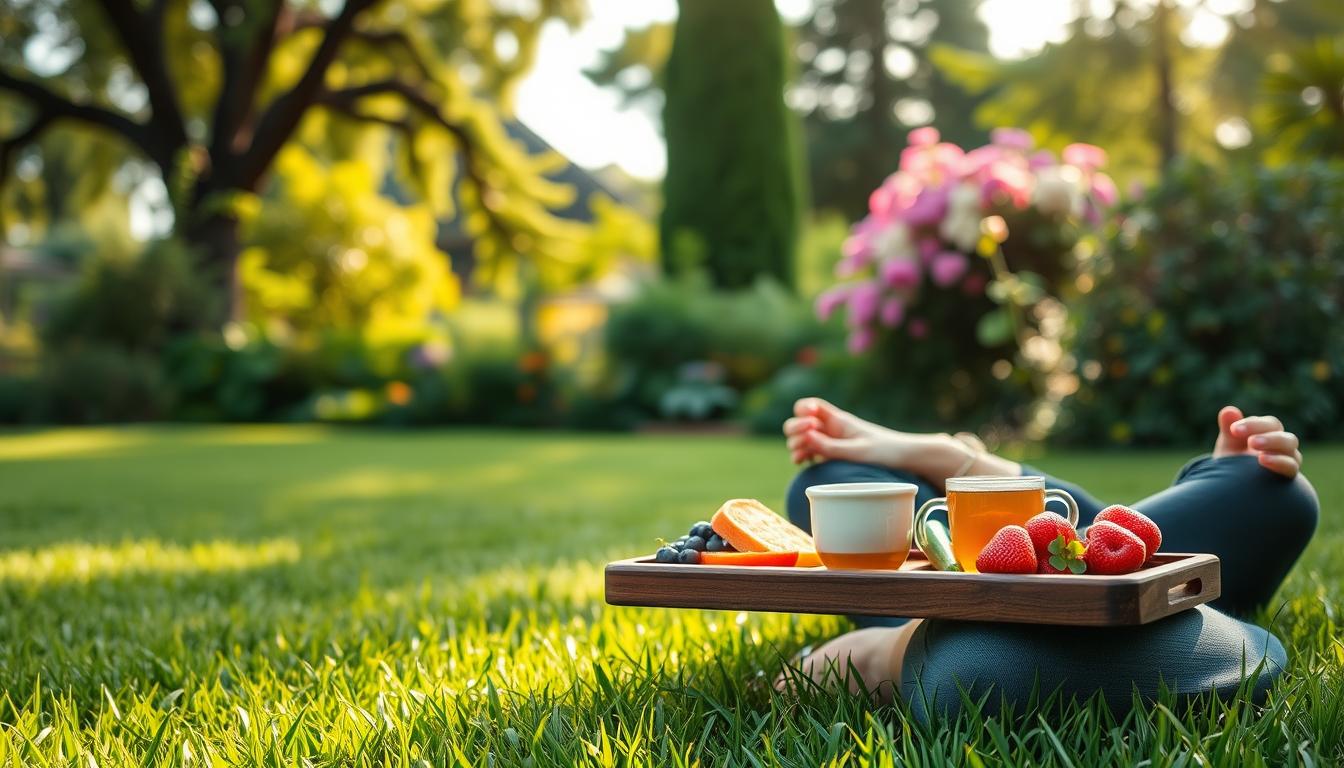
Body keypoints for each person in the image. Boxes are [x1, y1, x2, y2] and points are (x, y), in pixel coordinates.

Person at [777, 398, 1319, 713]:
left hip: (960, 657)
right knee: (1266, 486)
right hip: (991, 648)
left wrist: (880, 655)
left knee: (836, 489)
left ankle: (956, 470)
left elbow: (982, 673)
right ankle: (959, 463)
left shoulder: (973, 675)